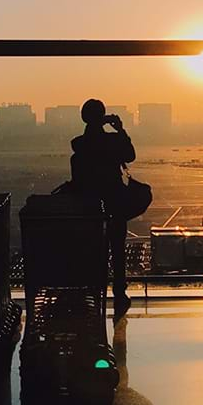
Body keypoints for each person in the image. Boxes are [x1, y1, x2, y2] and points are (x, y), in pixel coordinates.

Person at [70, 98, 137, 318]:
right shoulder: (114, 142)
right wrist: (120, 129)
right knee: (117, 250)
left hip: (89, 207)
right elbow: (130, 156)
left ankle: (93, 293)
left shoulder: (79, 144)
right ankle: (119, 293)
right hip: (115, 202)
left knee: (92, 252)